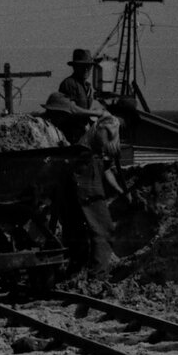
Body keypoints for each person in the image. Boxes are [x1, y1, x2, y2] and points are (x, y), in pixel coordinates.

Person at [72, 110, 124, 272]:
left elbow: (107, 169)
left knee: (84, 229)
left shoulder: (106, 129)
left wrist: (119, 190)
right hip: (86, 176)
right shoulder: (109, 123)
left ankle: (79, 270)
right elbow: (103, 144)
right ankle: (98, 275)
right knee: (104, 228)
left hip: (83, 176)